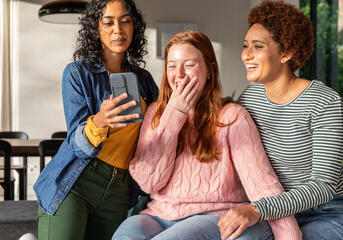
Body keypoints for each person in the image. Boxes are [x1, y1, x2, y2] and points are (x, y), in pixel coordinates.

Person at [112, 30, 301, 240]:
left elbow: (263, 186)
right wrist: (174, 115)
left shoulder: (232, 116)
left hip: (211, 215)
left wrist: (290, 235)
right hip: (158, 215)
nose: (180, 74)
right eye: (172, 66)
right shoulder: (156, 113)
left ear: (209, 70)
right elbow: (148, 183)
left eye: (189, 64)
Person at [33, 0, 158, 239]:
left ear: (135, 27)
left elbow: (161, 131)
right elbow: (75, 144)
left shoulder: (144, 81)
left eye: (125, 21)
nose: (118, 30)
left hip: (120, 189)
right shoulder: (77, 73)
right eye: (108, 22)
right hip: (77, 181)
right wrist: (100, 121)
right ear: (95, 29)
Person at [219, 1, 343, 240]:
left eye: (258, 46)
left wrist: (257, 209)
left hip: (326, 212)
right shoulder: (250, 98)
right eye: (246, 46)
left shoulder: (324, 103)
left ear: (286, 53)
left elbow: (324, 186)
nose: (246, 55)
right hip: (275, 212)